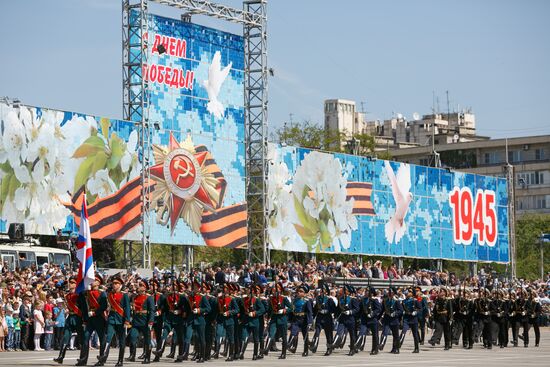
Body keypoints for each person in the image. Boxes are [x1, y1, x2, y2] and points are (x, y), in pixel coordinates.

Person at [97, 275, 131, 367]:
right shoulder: (110, 294)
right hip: (112, 318)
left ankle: (120, 361)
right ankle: (103, 356)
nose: (114, 285)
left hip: (121, 319)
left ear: (120, 285)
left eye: (116, 283)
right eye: (113, 283)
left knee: (122, 341)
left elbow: (127, 308)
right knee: (108, 338)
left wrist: (127, 320)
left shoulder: (124, 295)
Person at [77, 273, 108, 366]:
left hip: (99, 318)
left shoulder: (102, 293)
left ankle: (101, 359)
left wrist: (95, 313)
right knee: (86, 337)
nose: (92, 282)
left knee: (102, 338)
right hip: (90, 319)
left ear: (98, 282)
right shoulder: (87, 293)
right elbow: (80, 302)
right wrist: (83, 291)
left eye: (94, 280)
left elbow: (104, 306)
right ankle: (83, 360)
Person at [54, 276, 85, 365]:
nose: (70, 284)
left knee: (81, 339)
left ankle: (82, 358)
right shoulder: (67, 296)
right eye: (70, 282)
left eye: (72, 282)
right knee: (65, 337)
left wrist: (85, 319)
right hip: (70, 318)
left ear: (76, 284)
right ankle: (61, 357)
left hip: (78, 318)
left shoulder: (80, 295)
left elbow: (84, 308)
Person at [127, 278, 155, 364]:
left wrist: (151, 321)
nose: (139, 287)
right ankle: (132, 355)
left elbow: (152, 310)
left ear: (145, 288)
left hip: (145, 321)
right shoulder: (134, 296)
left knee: (147, 340)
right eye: (139, 285)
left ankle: (147, 357)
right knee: (132, 336)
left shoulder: (149, 298)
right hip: (136, 321)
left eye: (141, 286)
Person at [264, 283, 291, 359]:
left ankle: (283, 353)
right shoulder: (271, 299)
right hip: (274, 318)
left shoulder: (284, 298)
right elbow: (269, 310)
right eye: (274, 289)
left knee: (284, 336)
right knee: (271, 333)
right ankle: (266, 349)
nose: (275, 291)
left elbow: (291, 308)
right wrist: (267, 319)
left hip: (282, 318)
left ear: (280, 290)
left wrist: (284, 310)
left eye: (277, 289)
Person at [238, 283, 266, 360]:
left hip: (255, 321)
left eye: (250, 290)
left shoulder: (257, 300)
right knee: (244, 337)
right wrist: (240, 318)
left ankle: (255, 354)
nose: (248, 292)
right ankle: (241, 353)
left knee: (256, 338)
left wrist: (254, 313)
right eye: (247, 290)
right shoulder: (243, 300)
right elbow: (241, 310)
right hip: (246, 321)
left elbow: (263, 309)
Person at [310, 283, 336, 355]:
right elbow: (315, 309)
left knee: (328, 334)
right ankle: (314, 346)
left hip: (327, 318)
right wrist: (314, 315)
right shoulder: (318, 299)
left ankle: (329, 348)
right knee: (317, 332)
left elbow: (333, 309)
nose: (321, 292)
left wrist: (328, 311)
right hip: (320, 317)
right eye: (321, 290)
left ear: (326, 291)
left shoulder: (330, 299)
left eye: (323, 290)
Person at [287, 284, 312, 357]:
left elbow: (310, 312)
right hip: (296, 319)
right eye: (298, 291)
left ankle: (305, 350)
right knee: (293, 332)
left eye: (301, 291)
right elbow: (292, 310)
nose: (299, 292)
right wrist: (289, 320)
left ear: (304, 293)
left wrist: (310, 322)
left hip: (304, 319)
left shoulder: (307, 301)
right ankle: (289, 344)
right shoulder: (294, 300)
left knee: (305, 336)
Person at [356, 287, 382, 355]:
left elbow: (379, 309)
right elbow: (360, 309)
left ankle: (375, 349)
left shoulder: (374, 300)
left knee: (375, 335)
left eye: (368, 291)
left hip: (373, 319)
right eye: (366, 291)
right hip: (364, 319)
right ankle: (357, 345)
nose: (366, 292)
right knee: (361, 331)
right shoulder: (363, 300)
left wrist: (372, 313)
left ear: (371, 293)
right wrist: (357, 317)